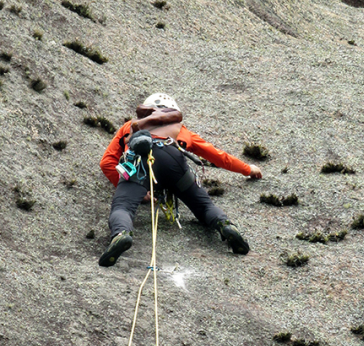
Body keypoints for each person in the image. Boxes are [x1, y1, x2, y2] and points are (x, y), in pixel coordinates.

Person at [98, 92, 262, 267]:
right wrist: (248, 169)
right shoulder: (182, 131)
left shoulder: (129, 127)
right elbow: (217, 156)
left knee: (123, 207)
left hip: (141, 164)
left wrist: (137, 189)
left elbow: (107, 162)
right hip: (173, 161)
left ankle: (121, 234)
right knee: (204, 206)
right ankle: (224, 224)